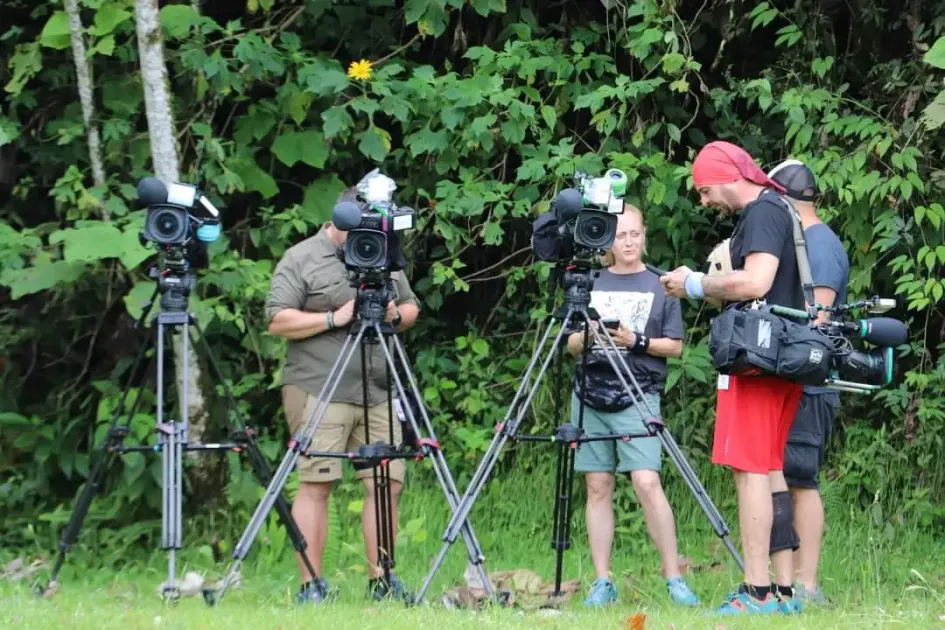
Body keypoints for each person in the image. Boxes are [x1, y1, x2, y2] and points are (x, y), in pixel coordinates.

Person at [660, 140, 805, 615]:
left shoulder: (763, 212)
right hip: (783, 357)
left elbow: (758, 282)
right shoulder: (780, 209)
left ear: (726, 175)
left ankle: (756, 590)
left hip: (758, 359)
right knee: (769, 469)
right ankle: (784, 593)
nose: (704, 202)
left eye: (704, 191)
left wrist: (695, 283)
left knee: (749, 471)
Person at [266, 186, 421, 604]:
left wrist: (393, 314)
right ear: (338, 217)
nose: (363, 230)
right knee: (317, 484)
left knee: (386, 483)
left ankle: (383, 580)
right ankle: (311, 585)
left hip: (377, 388)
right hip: (320, 387)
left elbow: (410, 308)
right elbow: (277, 320)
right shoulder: (302, 257)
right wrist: (335, 317)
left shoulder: (383, 250)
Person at [566, 205, 700, 609]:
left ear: (645, 235)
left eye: (634, 234)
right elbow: (569, 344)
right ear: (607, 238)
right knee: (597, 484)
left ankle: (673, 576)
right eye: (620, 235)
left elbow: (675, 347)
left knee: (645, 480)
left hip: (639, 391)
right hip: (591, 389)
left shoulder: (662, 283)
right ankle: (602, 581)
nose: (627, 242)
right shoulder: (588, 281)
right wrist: (590, 336)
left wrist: (635, 341)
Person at [767, 159, 849, 606]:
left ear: (784, 199)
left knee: (802, 479)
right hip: (791, 378)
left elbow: (818, 317)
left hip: (812, 383)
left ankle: (808, 584)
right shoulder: (802, 239)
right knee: (785, 474)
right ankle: (786, 582)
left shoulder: (819, 244)